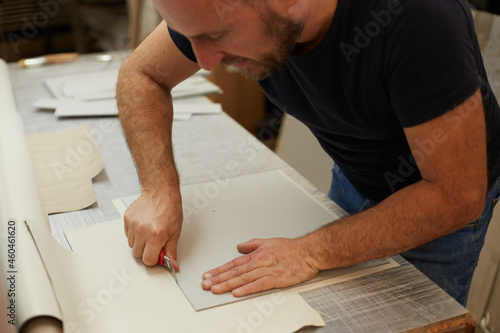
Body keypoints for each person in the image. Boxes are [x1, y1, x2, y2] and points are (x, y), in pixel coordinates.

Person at [116, 0, 500, 306]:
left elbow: (457, 196)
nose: (202, 61)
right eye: (188, 34)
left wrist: (313, 251)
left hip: (440, 201)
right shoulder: (217, 12)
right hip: (355, 174)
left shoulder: (420, 18)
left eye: (216, 35)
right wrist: (158, 189)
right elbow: (143, 74)